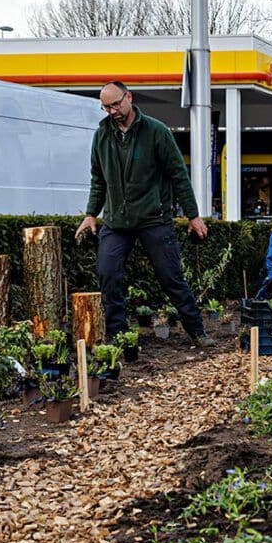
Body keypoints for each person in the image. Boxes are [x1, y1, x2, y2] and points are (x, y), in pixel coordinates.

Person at [75, 81, 214, 347]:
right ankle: (119, 337)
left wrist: (194, 216)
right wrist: (91, 214)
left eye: (116, 104)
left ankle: (197, 331)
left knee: (171, 277)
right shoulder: (102, 135)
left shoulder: (156, 132)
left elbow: (178, 176)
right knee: (108, 274)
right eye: (106, 107)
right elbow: (98, 179)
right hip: (117, 222)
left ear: (129, 97)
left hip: (154, 219)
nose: (112, 111)